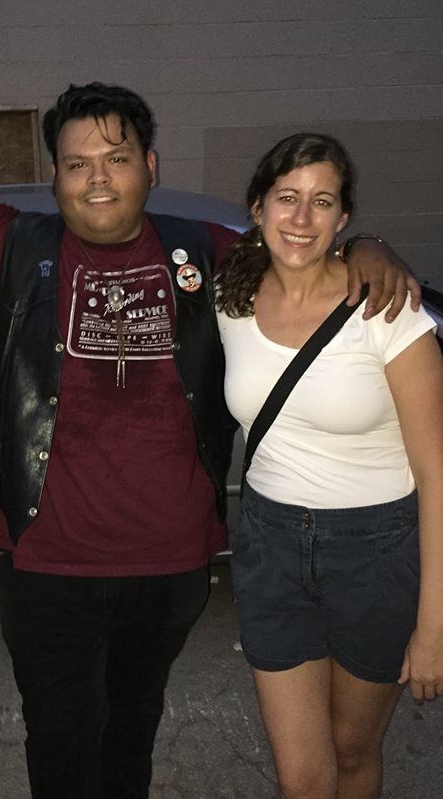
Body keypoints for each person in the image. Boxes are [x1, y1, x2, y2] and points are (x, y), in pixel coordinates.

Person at [0, 85, 420, 799]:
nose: (97, 178)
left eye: (117, 158)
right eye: (77, 164)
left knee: (133, 730)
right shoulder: (9, 243)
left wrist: (369, 247)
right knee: (61, 742)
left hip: (170, 562)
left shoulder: (206, 251)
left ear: (150, 167)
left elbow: (300, 246)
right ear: (56, 178)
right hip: (46, 563)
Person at [216, 133, 443, 799]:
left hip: (377, 551)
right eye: (286, 197)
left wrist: (433, 626)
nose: (301, 217)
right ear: (257, 207)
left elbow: (436, 474)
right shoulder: (230, 297)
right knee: (302, 777)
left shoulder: (387, 312)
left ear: (342, 218)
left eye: (322, 202)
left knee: (352, 749)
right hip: (270, 546)